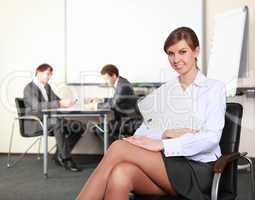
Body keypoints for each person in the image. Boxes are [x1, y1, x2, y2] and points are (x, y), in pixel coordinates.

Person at [77, 27, 226, 200]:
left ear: (196, 51)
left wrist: (164, 144)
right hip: (166, 165)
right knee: (120, 175)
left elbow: (211, 138)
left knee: (118, 147)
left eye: (182, 52)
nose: (176, 59)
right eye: (171, 53)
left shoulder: (214, 88)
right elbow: (142, 132)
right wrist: (164, 134)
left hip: (199, 169)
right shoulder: (164, 91)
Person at [23, 63, 84, 172]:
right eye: (48, 74)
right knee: (57, 122)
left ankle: (59, 155)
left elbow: (57, 100)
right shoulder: (29, 88)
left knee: (79, 125)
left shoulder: (47, 87)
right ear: (39, 72)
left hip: (51, 120)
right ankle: (66, 158)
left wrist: (68, 102)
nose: (49, 77)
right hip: (36, 123)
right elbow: (37, 106)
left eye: (51, 74)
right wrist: (59, 103)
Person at [91, 64, 140, 141]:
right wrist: (102, 99)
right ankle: (115, 147)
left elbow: (113, 104)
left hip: (127, 121)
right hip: (123, 119)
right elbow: (117, 99)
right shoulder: (121, 82)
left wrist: (97, 105)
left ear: (113, 75)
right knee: (98, 128)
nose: (106, 82)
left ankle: (114, 149)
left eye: (107, 79)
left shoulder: (123, 86)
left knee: (98, 129)